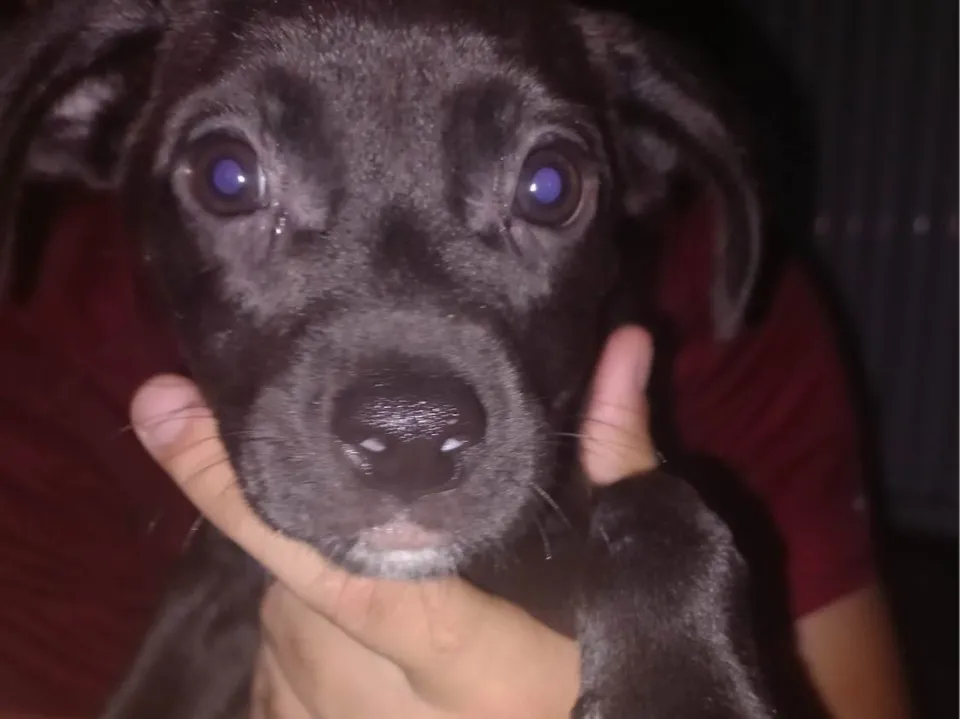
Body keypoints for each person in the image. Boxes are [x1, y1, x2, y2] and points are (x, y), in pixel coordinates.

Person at [0, 189, 912, 718]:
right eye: (232, 180)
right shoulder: (46, 306)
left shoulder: (713, 294)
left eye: (545, 187)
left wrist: (664, 554)